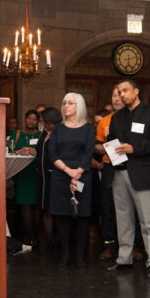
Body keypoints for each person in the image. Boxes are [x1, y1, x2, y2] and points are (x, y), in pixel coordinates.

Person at [106, 79, 150, 278]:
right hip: (120, 172)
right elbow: (112, 140)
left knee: (148, 221)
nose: (122, 95)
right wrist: (110, 148)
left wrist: (135, 148)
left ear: (136, 91)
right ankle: (124, 259)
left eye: (125, 90)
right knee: (123, 219)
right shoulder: (117, 117)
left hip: (143, 173)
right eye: (119, 92)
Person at [49, 94, 96, 267]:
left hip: (82, 175)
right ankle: (65, 255)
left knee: (82, 216)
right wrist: (68, 171)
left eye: (70, 103)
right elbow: (52, 154)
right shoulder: (57, 129)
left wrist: (77, 173)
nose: (66, 106)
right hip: (61, 175)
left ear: (79, 106)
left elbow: (88, 153)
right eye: (64, 103)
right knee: (62, 216)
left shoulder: (89, 128)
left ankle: (80, 256)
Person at [94, 87, 124, 261]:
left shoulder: (134, 119)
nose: (117, 98)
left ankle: (133, 246)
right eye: (113, 96)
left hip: (130, 168)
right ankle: (108, 245)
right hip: (109, 167)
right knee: (107, 207)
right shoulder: (104, 121)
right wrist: (107, 148)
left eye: (120, 95)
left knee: (130, 208)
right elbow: (96, 146)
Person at [12, 109, 42, 247]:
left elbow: (45, 152)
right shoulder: (17, 134)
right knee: (25, 206)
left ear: (38, 121)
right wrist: (18, 151)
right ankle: (29, 235)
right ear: (25, 119)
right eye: (29, 118)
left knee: (36, 206)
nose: (31, 121)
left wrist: (32, 151)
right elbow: (8, 150)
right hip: (22, 173)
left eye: (34, 119)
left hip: (36, 173)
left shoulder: (41, 135)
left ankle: (34, 234)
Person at [35, 107, 62, 251]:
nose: (42, 123)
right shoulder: (45, 133)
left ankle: (58, 240)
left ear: (51, 120)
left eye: (44, 120)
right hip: (42, 176)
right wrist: (32, 151)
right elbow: (41, 151)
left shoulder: (60, 132)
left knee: (55, 208)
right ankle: (49, 239)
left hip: (55, 176)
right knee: (45, 208)